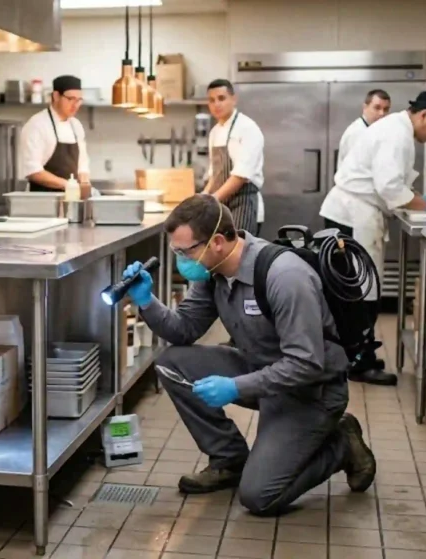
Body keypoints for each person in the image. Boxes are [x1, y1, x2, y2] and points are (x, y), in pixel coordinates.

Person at [124, 195, 377, 516]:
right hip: (262, 369)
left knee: (259, 496)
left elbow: (306, 364)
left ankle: (341, 445)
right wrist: (146, 301)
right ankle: (229, 459)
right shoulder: (213, 271)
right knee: (172, 363)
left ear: (216, 241)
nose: (180, 260)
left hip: (311, 391)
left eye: (184, 252)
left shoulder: (284, 277)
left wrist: (236, 388)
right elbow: (184, 330)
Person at [319, 90, 426, 386]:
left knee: (359, 292)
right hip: (353, 216)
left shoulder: (399, 130)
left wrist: (420, 200)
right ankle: (358, 364)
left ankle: (359, 355)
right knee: (360, 294)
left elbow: (395, 183)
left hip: (354, 213)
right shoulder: (397, 134)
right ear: (423, 115)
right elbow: (390, 187)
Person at [202, 79, 265, 237]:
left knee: (239, 257)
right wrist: (202, 197)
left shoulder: (247, 128)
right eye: (211, 100)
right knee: (220, 257)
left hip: (243, 204)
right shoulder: (214, 132)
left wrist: (212, 199)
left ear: (233, 99)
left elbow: (241, 176)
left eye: (221, 98)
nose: (216, 104)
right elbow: (214, 175)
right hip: (221, 206)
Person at [18, 75, 91, 199]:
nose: (76, 105)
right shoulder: (37, 125)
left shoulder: (76, 125)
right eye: (70, 99)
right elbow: (33, 171)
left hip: (71, 198)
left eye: (79, 100)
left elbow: (82, 164)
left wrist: (84, 184)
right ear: (56, 96)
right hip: (43, 200)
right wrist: (68, 185)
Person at [337, 89, 392, 169]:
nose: (382, 113)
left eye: (386, 109)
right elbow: (358, 170)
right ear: (365, 107)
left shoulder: (375, 130)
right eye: (377, 108)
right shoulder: (356, 133)